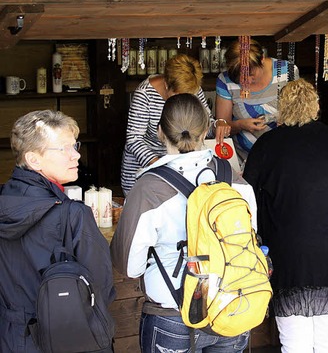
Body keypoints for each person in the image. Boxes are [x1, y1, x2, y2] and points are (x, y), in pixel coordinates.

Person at [110, 93, 256, 353]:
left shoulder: (148, 188)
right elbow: (249, 236)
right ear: (205, 131)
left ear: (159, 132)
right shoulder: (234, 179)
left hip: (172, 311)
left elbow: (130, 267)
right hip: (231, 304)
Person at [243, 79, 328, 353]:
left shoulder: (267, 145)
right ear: (315, 106)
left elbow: (248, 199)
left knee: (294, 342)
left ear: (282, 108)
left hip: (288, 252)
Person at [0, 110, 115, 352]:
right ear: (34, 160)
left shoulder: (4, 201)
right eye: (65, 149)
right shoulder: (73, 215)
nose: (76, 155)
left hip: (11, 337)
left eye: (75, 146)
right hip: (65, 339)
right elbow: (100, 288)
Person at [121, 53, 231, 195]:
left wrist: (217, 126)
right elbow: (134, 140)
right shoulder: (145, 94)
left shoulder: (193, 89)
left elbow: (203, 126)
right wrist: (161, 166)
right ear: (166, 84)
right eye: (177, 95)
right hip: (144, 170)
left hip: (181, 169)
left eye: (187, 96)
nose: (182, 101)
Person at [215, 39, 299, 164]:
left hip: (283, 157)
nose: (246, 81)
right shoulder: (225, 80)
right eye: (240, 78)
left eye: (251, 74)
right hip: (243, 161)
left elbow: (299, 115)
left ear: (262, 60)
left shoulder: (287, 71)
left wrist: (287, 121)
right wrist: (240, 125)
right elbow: (222, 127)